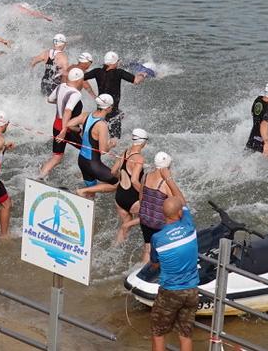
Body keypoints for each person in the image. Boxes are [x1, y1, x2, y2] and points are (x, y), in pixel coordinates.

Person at [77, 129, 148, 242]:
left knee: (126, 223)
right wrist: (147, 194)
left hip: (120, 197)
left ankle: (116, 246)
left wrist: (123, 177)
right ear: (144, 142)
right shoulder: (139, 158)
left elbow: (113, 171)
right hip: (133, 199)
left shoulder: (125, 152)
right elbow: (134, 180)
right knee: (153, 216)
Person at [150, 197, 199, 351]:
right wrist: (170, 182)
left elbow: (154, 263)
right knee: (185, 334)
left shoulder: (157, 238)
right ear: (179, 213)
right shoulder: (189, 226)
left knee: (158, 333)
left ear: (163, 214)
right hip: (192, 291)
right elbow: (182, 202)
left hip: (170, 291)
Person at [83, 51, 145, 138]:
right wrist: (142, 74)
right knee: (114, 138)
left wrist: (90, 92)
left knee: (101, 132)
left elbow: (80, 77)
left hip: (101, 109)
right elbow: (136, 81)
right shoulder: (119, 72)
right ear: (114, 62)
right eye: (117, 61)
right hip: (112, 110)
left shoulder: (97, 71)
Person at [138, 152, 186, 263]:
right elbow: (180, 203)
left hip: (145, 219)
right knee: (164, 250)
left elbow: (141, 198)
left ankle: (143, 269)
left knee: (148, 248)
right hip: (159, 223)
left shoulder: (145, 176)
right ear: (167, 167)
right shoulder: (165, 183)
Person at [38, 68, 85, 179]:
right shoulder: (76, 94)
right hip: (67, 128)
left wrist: (61, 102)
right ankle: (86, 175)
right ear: (79, 80)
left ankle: (40, 176)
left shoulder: (61, 86)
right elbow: (68, 111)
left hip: (56, 125)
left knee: (57, 157)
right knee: (88, 150)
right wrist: (64, 130)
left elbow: (50, 99)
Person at [67, 94, 119, 192]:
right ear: (107, 108)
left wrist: (80, 131)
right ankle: (82, 191)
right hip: (93, 164)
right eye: (111, 106)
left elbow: (69, 124)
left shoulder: (86, 115)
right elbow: (103, 151)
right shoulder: (102, 125)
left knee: (91, 194)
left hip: (82, 160)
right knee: (118, 184)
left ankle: (85, 192)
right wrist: (111, 145)